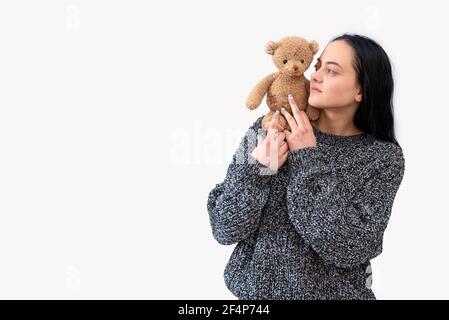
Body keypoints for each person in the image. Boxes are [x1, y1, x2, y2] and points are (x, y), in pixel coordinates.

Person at [206, 33, 405, 300]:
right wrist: (257, 170)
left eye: (332, 71)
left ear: (361, 90)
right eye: (318, 66)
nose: (317, 76)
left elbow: (347, 246)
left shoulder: (382, 158)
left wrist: (307, 156)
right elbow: (224, 227)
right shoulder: (269, 128)